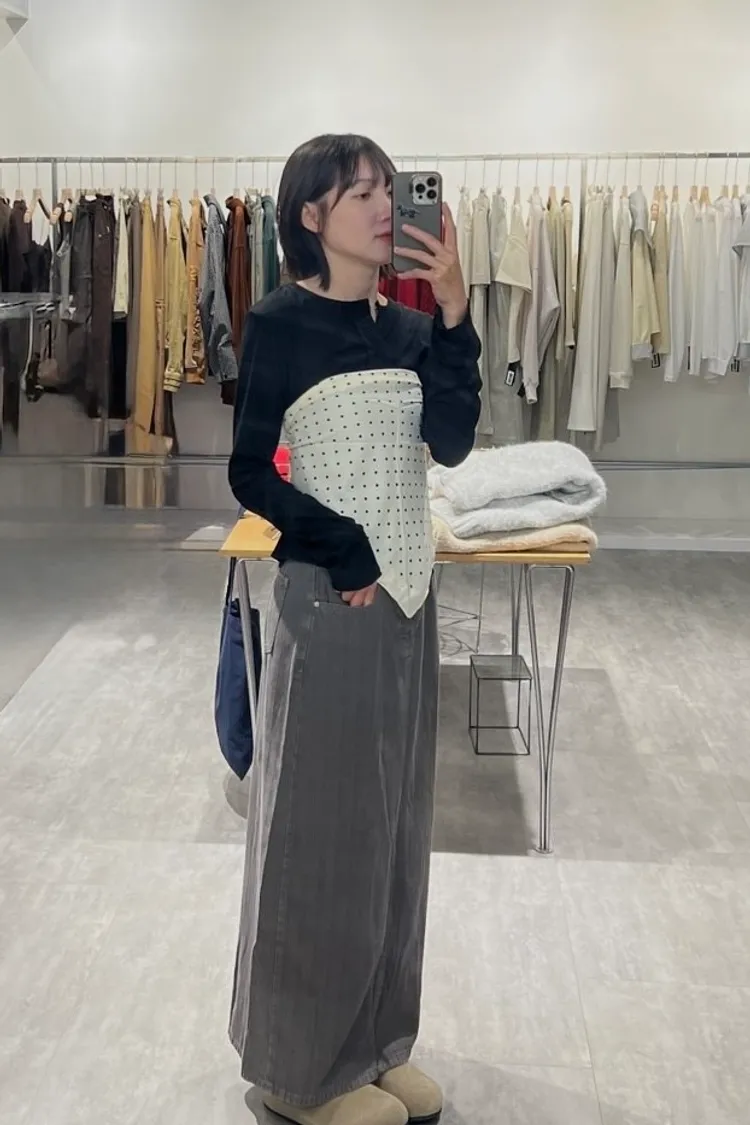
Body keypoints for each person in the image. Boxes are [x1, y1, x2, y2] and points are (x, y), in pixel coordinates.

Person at [228, 133, 481, 1125]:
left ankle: (376, 1046)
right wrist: (345, 548)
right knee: (318, 832)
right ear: (310, 215)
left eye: (389, 190)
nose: (384, 208)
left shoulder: (413, 329)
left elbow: (450, 441)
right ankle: (300, 1076)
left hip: (409, 605)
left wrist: (455, 313)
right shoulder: (279, 324)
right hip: (331, 602)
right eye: (360, 193)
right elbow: (250, 472)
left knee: (394, 836)